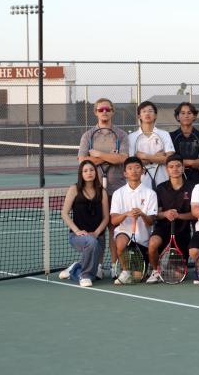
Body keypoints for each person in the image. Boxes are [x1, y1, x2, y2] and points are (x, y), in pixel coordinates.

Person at [77, 97, 129, 279]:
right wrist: (110, 157)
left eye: (107, 109)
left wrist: (97, 155)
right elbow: (83, 161)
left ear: (113, 111)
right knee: (97, 231)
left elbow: (123, 159)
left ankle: (115, 266)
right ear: (95, 112)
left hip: (117, 188)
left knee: (114, 230)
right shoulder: (88, 136)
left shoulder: (121, 135)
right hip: (94, 191)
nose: (104, 112)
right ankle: (97, 267)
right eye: (101, 110)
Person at [146, 155, 196, 284]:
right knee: (152, 244)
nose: (175, 169)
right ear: (167, 170)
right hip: (163, 229)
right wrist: (166, 213)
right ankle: (156, 270)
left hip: (182, 232)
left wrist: (179, 216)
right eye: (171, 167)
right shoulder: (161, 188)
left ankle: (171, 265)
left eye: (178, 166)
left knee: (176, 274)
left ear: (183, 168)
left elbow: (195, 214)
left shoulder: (193, 188)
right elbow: (156, 213)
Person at [60, 160, 109, 287]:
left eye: (92, 170)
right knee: (91, 245)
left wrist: (96, 233)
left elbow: (106, 217)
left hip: (98, 237)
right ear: (81, 174)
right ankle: (84, 275)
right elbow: (64, 213)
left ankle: (75, 268)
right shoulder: (74, 189)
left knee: (97, 275)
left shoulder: (101, 191)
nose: (89, 173)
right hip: (77, 237)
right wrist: (77, 231)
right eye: (85, 171)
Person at [110, 156, 158, 285]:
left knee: (138, 278)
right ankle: (125, 271)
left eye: (137, 168)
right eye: (130, 168)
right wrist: (126, 214)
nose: (134, 171)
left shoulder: (150, 194)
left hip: (143, 240)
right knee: (120, 243)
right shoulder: (118, 193)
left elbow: (151, 222)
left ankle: (143, 267)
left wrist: (142, 214)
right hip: (124, 233)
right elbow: (114, 221)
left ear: (142, 171)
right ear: (125, 173)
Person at [128, 101, 175, 189]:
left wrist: (144, 156)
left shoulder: (164, 134)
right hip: (140, 182)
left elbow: (169, 159)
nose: (147, 113)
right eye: (144, 111)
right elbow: (132, 163)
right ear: (139, 116)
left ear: (155, 115)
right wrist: (156, 157)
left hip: (163, 181)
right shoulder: (131, 137)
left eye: (150, 111)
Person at [169, 102, 199, 186]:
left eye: (189, 113)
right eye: (183, 113)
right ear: (177, 117)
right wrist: (193, 163)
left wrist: (184, 163)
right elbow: (170, 160)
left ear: (194, 116)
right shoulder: (170, 136)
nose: (186, 116)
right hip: (177, 178)